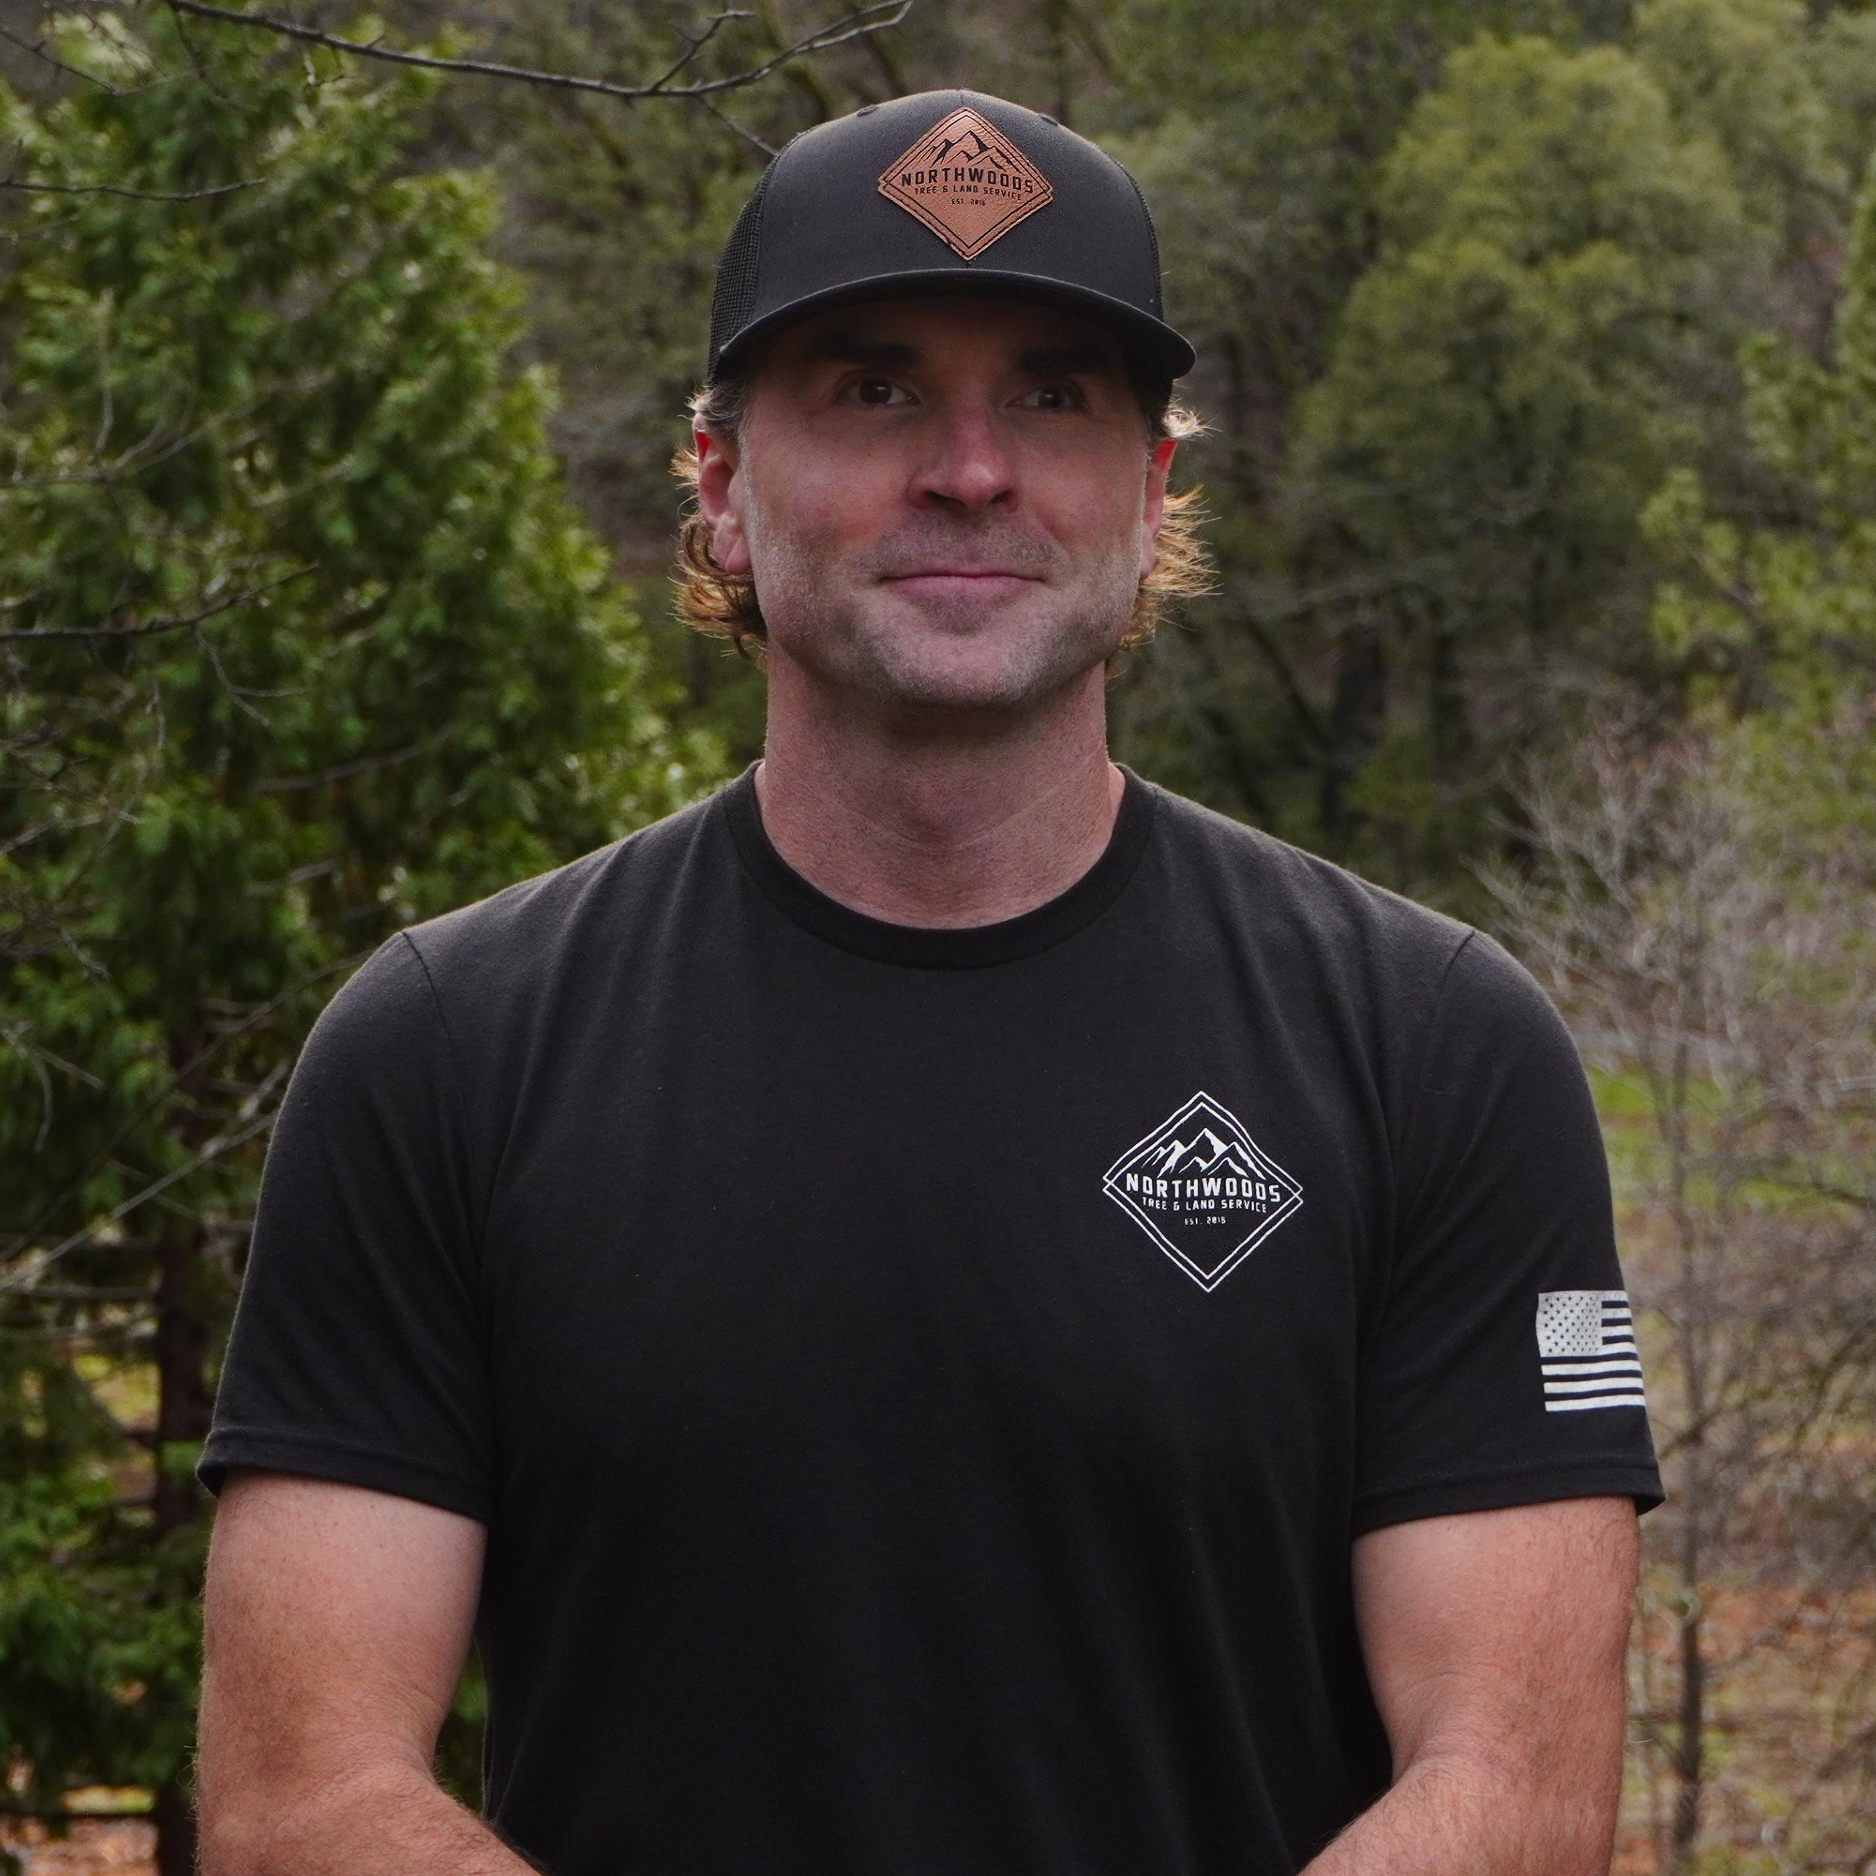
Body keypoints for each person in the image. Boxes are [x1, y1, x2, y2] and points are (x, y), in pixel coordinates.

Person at [195, 90, 1661, 1876]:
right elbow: (299, 1795)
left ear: (1151, 487)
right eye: (876, 389)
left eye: (1052, 394)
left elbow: (1516, 1788)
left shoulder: (1434, 1051)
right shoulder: (445, 1053)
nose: (972, 467)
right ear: (723, 487)